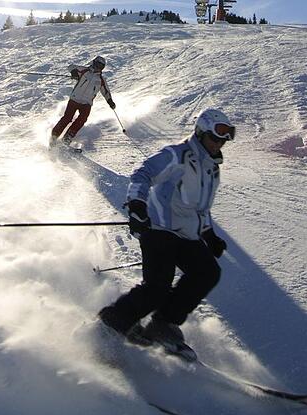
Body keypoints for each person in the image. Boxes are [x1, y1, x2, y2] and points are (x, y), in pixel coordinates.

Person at [97, 108, 235, 358]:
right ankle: (109, 325)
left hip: (186, 235)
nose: (219, 143)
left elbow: (200, 208)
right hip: (159, 229)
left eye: (224, 139)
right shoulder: (178, 155)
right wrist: (137, 205)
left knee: (207, 272)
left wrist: (209, 234)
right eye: (215, 137)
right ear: (201, 133)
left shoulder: (212, 170)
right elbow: (143, 173)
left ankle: (162, 324)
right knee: (157, 287)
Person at [50, 55, 116, 147]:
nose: (98, 68)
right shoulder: (84, 70)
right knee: (67, 118)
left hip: (86, 103)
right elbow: (71, 66)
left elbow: (106, 91)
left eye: (101, 67)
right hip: (74, 99)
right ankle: (54, 137)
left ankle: (67, 139)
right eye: (97, 65)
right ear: (94, 63)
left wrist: (110, 101)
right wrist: (74, 72)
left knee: (82, 120)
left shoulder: (101, 80)